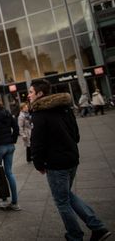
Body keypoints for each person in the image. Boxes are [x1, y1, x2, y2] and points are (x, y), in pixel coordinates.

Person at [28, 79, 112, 241]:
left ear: (40, 93)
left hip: (55, 163)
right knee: (66, 195)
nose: (29, 95)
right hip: (72, 158)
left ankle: (75, 235)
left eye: (31, 92)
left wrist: (38, 164)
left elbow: (36, 143)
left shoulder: (39, 114)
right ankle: (97, 227)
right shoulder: (64, 108)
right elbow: (76, 135)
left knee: (62, 201)